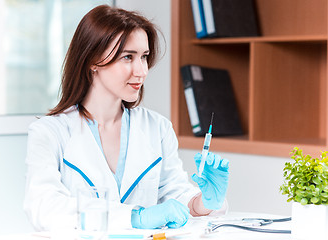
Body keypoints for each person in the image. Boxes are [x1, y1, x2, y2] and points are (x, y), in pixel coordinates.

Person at [24, 5, 229, 231]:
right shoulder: (49, 132)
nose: (141, 70)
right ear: (93, 61)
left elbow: (174, 193)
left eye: (144, 57)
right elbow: (44, 208)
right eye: (128, 57)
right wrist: (135, 217)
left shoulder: (157, 128)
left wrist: (203, 202)